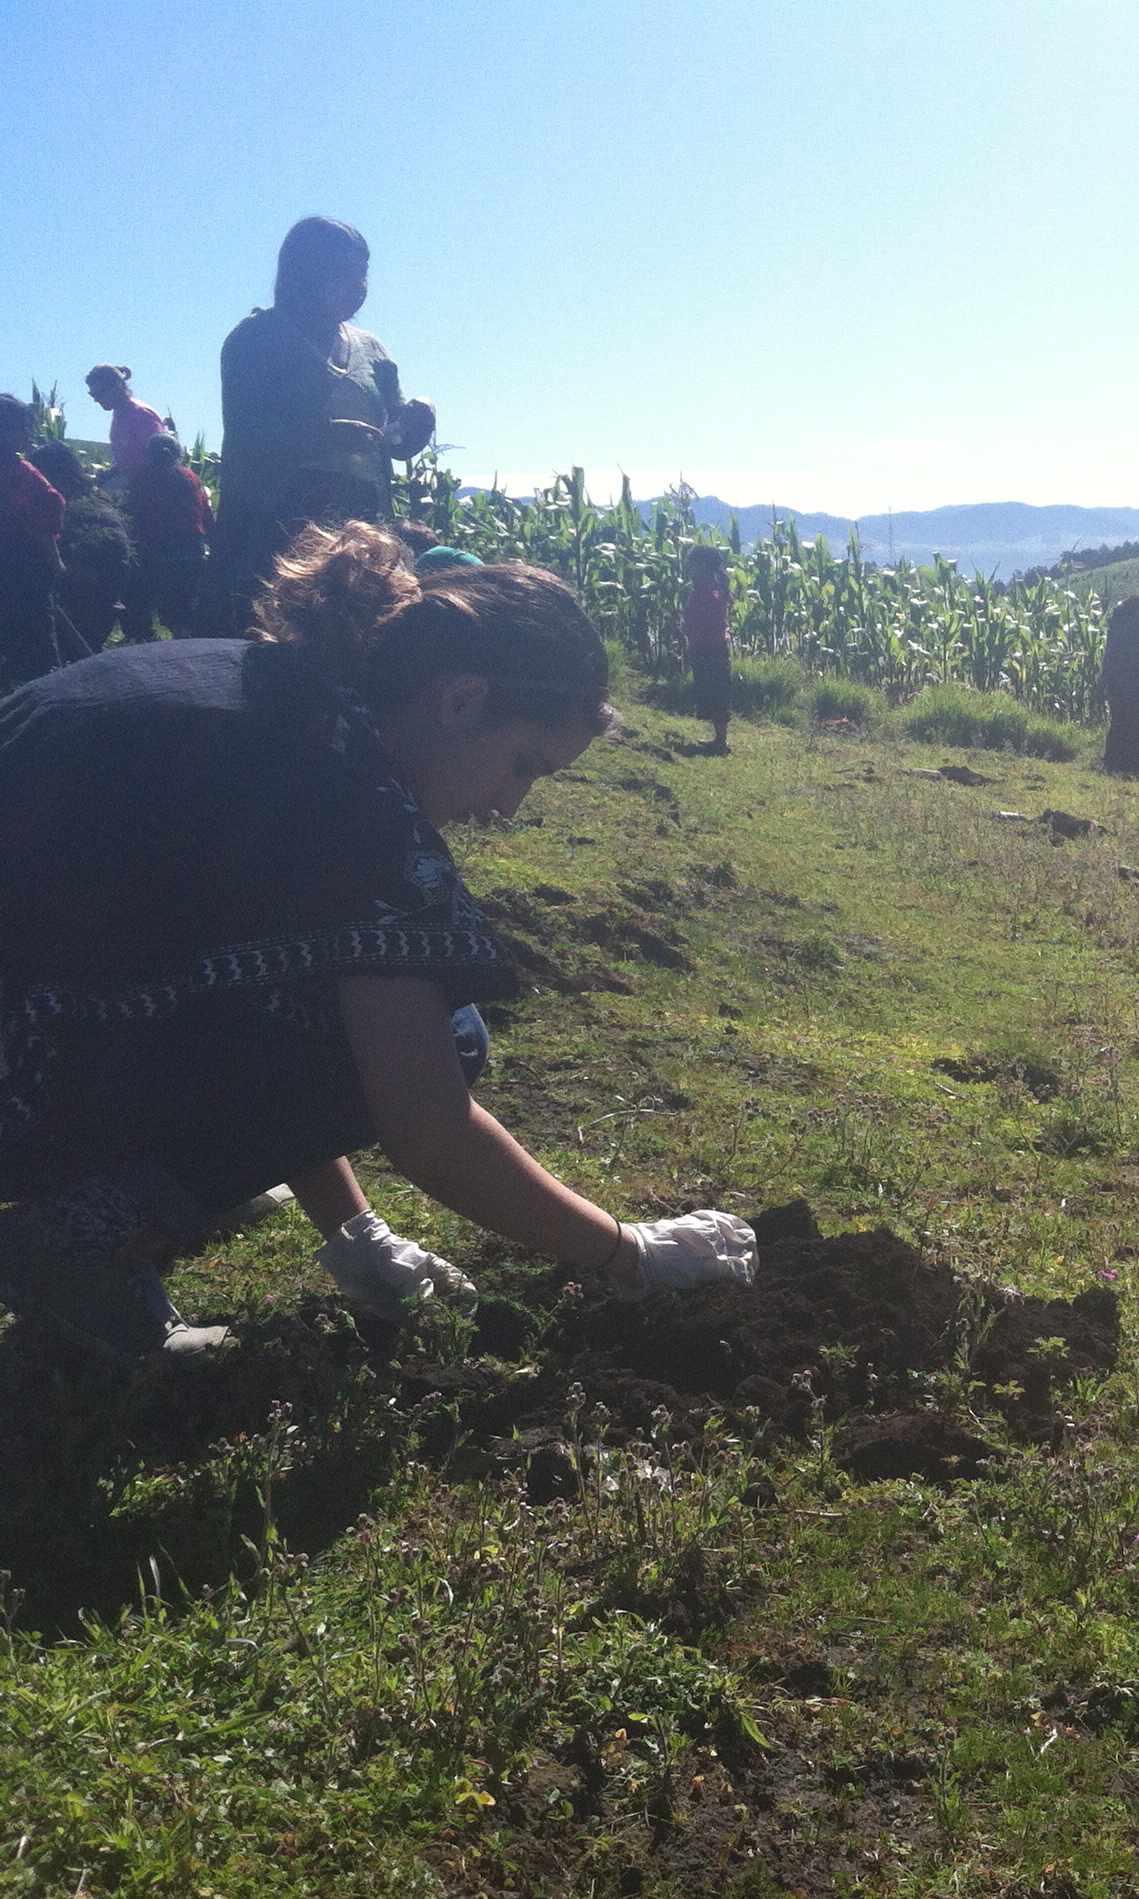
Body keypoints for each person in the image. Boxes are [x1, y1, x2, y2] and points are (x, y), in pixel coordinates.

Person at [0, 522, 756, 1364]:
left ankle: (141, 1182)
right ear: (462, 700)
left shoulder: (288, 694)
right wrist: (631, 1253)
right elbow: (427, 1124)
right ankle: (71, 1234)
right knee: (451, 1037)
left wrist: (353, 1228)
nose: (508, 807)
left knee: (387, 1011)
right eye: (523, 765)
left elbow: (292, 1005)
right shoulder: (354, 796)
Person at [209, 217, 437, 628]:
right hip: (278, 520)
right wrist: (326, 437)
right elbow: (247, 430)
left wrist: (417, 421)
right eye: (343, 273)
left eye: (363, 273)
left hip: (359, 523)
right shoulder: (258, 338)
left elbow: (395, 441)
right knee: (272, 630)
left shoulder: (373, 349)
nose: (358, 286)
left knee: (354, 632)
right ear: (304, 274)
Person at [28, 443, 134, 653]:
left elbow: (109, 572)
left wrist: (52, 569)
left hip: (84, 615)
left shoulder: (93, 516)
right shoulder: (57, 510)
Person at [0, 396, 70, 685]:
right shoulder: (21, 474)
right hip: (21, 563)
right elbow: (44, 518)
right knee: (34, 640)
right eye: (22, 427)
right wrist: (56, 561)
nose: (28, 434)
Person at [121, 435, 213, 641]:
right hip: (190, 547)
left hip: (154, 549)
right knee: (182, 605)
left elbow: (133, 511)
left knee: (144, 597)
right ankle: (183, 640)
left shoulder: (143, 478)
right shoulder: (189, 477)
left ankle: (144, 639)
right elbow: (204, 512)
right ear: (178, 454)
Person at [1095, 595, 1139, 776]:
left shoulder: (1116, 630)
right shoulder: (1136, 634)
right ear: (1137, 613)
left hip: (1116, 686)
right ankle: (1135, 767)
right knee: (1137, 726)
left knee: (1119, 724)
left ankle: (1114, 765)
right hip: (1135, 687)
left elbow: (1108, 661)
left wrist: (1102, 682)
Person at [84, 365, 174, 487]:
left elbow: (160, 459)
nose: (96, 399)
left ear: (117, 386)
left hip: (150, 486)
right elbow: (127, 465)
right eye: (92, 394)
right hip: (132, 483)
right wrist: (104, 477)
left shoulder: (141, 414)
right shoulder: (118, 416)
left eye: (100, 393)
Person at [682, 543, 731, 752]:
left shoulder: (707, 590)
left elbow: (703, 621)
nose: (690, 568)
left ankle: (720, 741)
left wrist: (693, 642)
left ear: (703, 566)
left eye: (693, 564)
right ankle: (719, 739)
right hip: (713, 645)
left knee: (715, 692)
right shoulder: (712, 586)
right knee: (714, 691)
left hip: (708, 647)